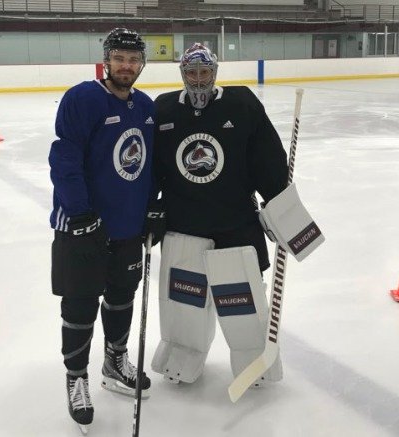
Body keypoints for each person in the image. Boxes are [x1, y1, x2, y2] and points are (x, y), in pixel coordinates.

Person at [150, 43, 290, 387]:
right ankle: (183, 352)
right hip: (184, 225)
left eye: (204, 73)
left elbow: (268, 160)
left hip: (235, 224)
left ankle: (252, 359)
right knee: (183, 302)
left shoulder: (241, 104)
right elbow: (152, 167)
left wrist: (280, 207)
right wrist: (149, 207)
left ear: (215, 72)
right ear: (182, 74)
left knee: (241, 300)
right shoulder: (164, 109)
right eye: (191, 73)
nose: (198, 81)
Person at [48, 27, 158, 432]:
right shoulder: (83, 98)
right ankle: (76, 377)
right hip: (82, 227)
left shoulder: (145, 106)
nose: (126, 66)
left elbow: (148, 165)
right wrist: (79, 213)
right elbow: (65, 157)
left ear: (141, 63)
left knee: (121, 296)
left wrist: (152, 208)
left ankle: (115, 360)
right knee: (80, 303)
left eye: (133, 59)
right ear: (106, 60)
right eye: (120, 58)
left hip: (126, 226)